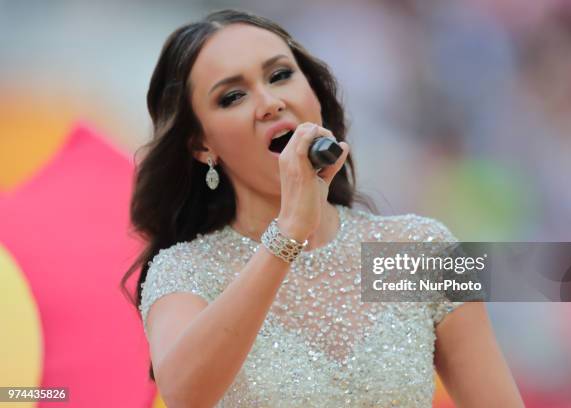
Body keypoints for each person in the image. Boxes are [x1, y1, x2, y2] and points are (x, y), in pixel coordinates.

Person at [122, 8, 524, 407]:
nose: (270, 102)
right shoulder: (187, 271)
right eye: (233, 96)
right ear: (201, 144)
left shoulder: (418, 250)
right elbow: (184, 394)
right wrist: (288, 234)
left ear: (313, 93)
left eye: (280, 75)